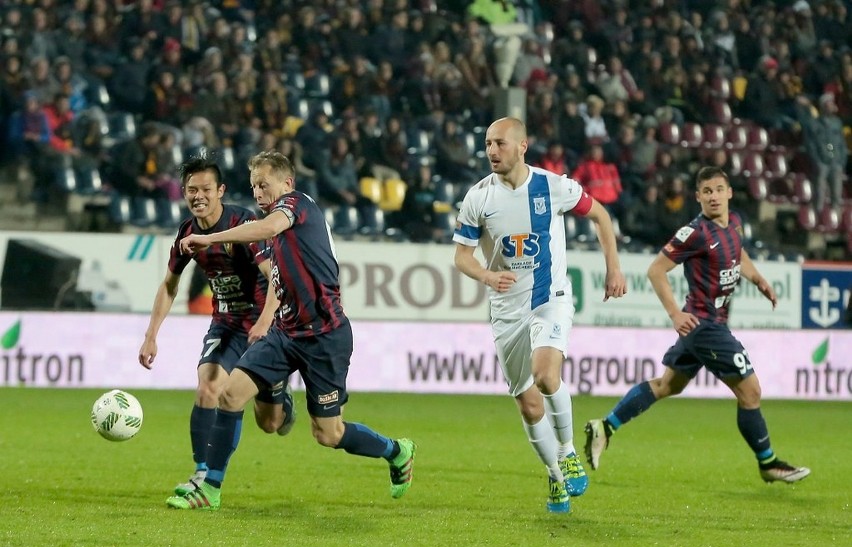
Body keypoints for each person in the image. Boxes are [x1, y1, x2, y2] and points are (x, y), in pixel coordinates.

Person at [169, 151, 416, 510]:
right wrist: (268, 318)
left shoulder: (297, 205)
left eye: (263, 184)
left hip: (325, 337)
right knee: (229, 394)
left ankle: (397, 450)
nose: (257, 192)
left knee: (327, 434)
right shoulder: (272, 228)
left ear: (286, 183)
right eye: (253, 185)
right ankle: (210, 489)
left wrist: (210, 238)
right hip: (286, 333)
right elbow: (275, 273)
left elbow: (269, 227)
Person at [584, 166, 810, 485]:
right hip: (705, 326)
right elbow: (656, 270)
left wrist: (758, 278)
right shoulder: (695, 233)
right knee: (751, 391)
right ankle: (768, 463)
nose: (714, 196)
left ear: (729, 192)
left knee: (668, 386)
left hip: (704, 327)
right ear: (698, 197)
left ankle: (605, 427)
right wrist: (675, 314)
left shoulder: (734, 223)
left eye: (719, 189)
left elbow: (737, 252)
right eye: (707, 191)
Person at [453, 117, 627, 514]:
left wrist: (613, 267)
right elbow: (462, 256)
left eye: (499, 143)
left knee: (547, 375)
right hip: (506, 310)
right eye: (487, 143)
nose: (491, 151)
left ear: (522, 146)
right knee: (529, 406)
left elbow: (600, 215)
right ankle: (554, 475)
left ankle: (566, 451)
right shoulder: (478, 197)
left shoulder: (554, 187)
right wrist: (487, 274)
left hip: (551, 296)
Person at [139, 156, 294, 498]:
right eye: (192, 190)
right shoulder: (187, 232)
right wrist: (151, 335)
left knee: (270, 423)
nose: (199, 196)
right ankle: (202, 474)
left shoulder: (243, 222)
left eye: (206, 189)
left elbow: (274, 277)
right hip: (225, 323)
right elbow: (169, 285)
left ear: (220, 190)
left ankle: (280, 394)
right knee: (208, 387)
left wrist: (269, 321)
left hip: (260, 323)